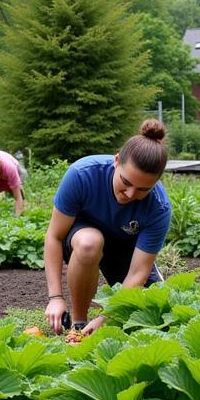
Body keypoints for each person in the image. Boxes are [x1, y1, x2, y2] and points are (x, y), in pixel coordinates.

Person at [44, 119, 172, 336]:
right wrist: (55, 298)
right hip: (82, 238)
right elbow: (54, 236)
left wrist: (107, 317)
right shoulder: (82, 175)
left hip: (124, 249)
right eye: (126, 182)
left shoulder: (158, 208)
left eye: (143, 189)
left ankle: (97, 322)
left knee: (159, 314)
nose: (131, 194)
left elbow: (139, 271)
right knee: (90, 243)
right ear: (116, 161)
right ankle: (79, 322)